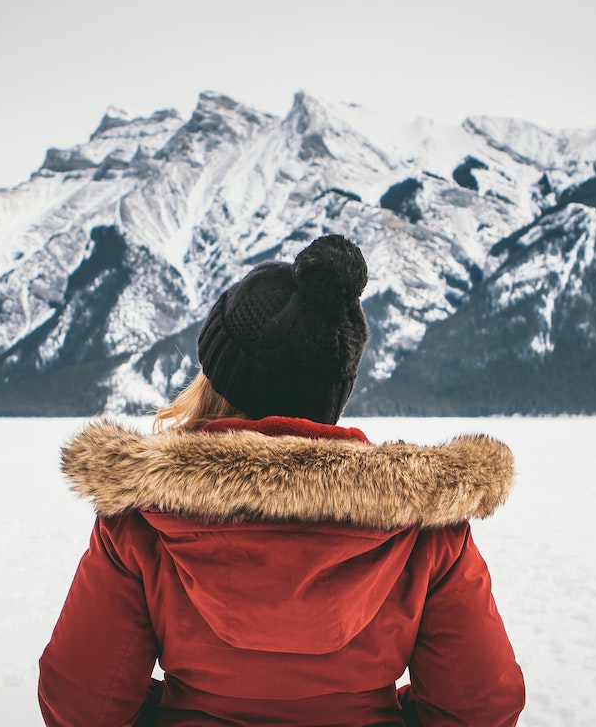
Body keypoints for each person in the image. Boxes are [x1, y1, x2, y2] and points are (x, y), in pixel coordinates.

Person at [38, 234, 525, 726]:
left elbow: (83, 709)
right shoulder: (427, 529)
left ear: (213, 381)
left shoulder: (140, 520)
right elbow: (480, 710)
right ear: (334, 393)